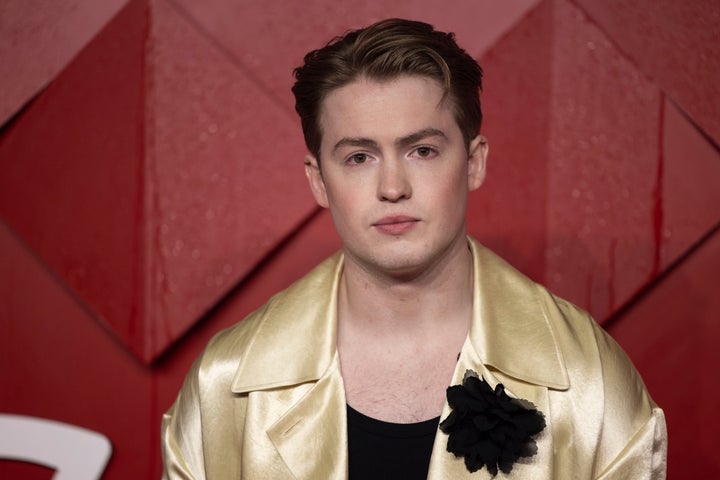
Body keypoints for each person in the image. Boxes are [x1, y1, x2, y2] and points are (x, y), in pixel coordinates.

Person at [161, 18, 667, 479]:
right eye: (359, 157)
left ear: (473, 163)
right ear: (318, 181)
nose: (393, 186)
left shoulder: (588, 379)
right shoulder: (225, 383)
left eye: (421, 150)